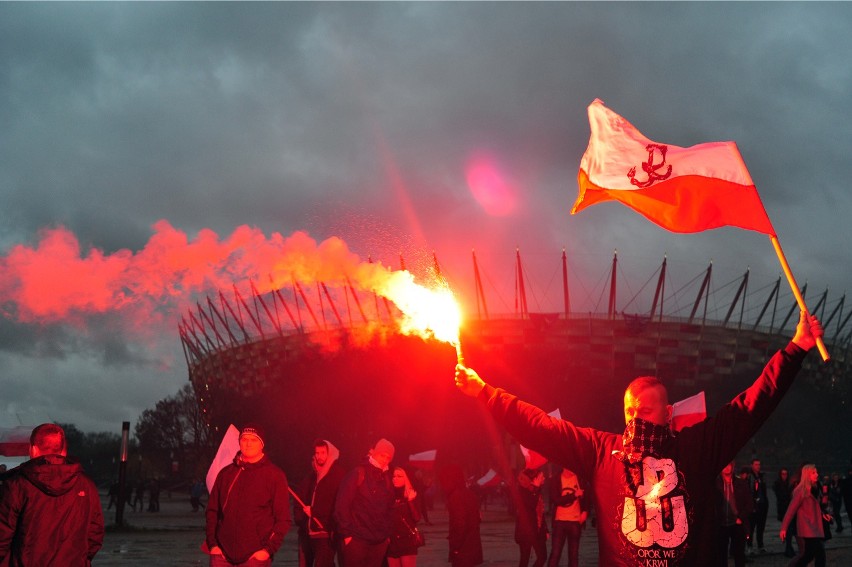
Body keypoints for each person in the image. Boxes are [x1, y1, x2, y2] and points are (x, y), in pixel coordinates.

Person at [454, 311, 822, 566]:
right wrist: (485, 392)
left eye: (645, 411)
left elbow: (751, 406)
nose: (635, 417)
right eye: (630, 411)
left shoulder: (697, 447)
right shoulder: (601, 452)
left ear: (668, 414)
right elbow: (539, 427)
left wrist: (796, 349)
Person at [0, 423, 104, 565]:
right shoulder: (86, 485)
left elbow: (3, 536)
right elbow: (95, 534)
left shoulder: (17, 485)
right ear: (64, 450)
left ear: (33, 449)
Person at [205, 423, 291, 566]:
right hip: (222, 556)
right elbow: (212, 511)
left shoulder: (274, 475)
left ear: (261, 444)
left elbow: (283, 519)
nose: (248, 444)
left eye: (254, 440)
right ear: (239, 442)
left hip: (254, 558)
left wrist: (267, 550)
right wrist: (213, 545)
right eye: (244, 439)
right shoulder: (226, 474)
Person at [334, 438, 396, 567]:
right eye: (382, 455)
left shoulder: (387, 480)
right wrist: (347, 535)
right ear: (374, 453)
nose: (384, 460)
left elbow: (390, 509)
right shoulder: (357, 473)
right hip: (357, 540)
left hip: (379, 541)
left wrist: (386, 535)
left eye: (388, 457)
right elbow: (342, 505)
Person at [294, 439, 344, 567]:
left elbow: (337, 503)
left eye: (323, 452)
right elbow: (300, 499)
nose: (319, 456)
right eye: (317, 453)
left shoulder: (337, 475)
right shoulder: (311, 477)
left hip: (325, 533)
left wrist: (315, 512)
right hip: (307, 532)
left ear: (330, 454)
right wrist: (300, 519)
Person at [780, 463, 831, 567]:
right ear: (807, 475)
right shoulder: (801, 490)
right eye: (813, 472)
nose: (816, 474)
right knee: (819, 553)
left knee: (809, 555)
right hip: (807, 528)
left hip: (813, 527)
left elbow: (815, 507)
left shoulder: (814, 488)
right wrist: (784, 528)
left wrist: (823, 515)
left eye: (816, 472)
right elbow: (791, 510)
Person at [438, 464, 482, 567]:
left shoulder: (455, 496)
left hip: (463, 550)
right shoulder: (469, 494)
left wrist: (455, 547)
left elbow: (460, 524)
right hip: (472, 546)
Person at [716, 461, 752, 567]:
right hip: (721, 523)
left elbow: (749, 503)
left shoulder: (741, 483)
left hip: (737, 523)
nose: (727, 468)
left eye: (729, 465)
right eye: (725, 465)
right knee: (721, 555)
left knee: (739, 554)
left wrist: (741, 517)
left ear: (733, 466)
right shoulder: (716, 484)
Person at [547, 467, 586, 567]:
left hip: (575, 521)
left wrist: (585, 511)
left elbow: (587, 496)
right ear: (564, 467)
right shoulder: (555, 480)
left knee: (573, 555)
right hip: (560, 521)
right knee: (555, 553)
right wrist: (574, 495)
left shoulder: (580, 479)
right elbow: (556, 500)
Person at [387, 466, 422, 567]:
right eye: (394, 476)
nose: (395, 478)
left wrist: (410, 501)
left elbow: (417, 518)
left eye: (399, 476)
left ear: (405, 478)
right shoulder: (389, 495)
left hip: (407, 540)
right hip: (392, 541)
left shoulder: (411, 494)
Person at [515, 468, 547, 567]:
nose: (544, 478)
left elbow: (540, 512)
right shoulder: (523, 490)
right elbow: (531, 505)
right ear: (535, 478)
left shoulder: (536, 491)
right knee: (525, 559)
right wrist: (536, 489)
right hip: (525, 531)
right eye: (542, 476)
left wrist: (545, 530)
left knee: (542, 557)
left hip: (537, 531)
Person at [747, 458, 769, 555]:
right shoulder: (750, 477)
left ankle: (760, 546)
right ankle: (750, 546)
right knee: (751, 527)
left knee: (760, 527)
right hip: (754, 506)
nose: (758, 466)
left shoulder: (761, 476)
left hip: (762, 505)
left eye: (759, 464)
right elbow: (749, 491)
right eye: (756, 464)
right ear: (752, 465)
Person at [774, 467, 796, 557]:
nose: (784, 476)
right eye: (783, 474)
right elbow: (781, 495)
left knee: (789, 529)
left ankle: (789, 547)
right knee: (787, 529)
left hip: (788, 508)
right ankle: (788, 548)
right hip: (783, 509)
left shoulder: (789, 484)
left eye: (786, 474)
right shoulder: (777, 484)